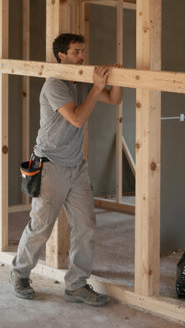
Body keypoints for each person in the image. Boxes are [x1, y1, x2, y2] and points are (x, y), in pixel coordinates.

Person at [10, 33, 122, 306]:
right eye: (75, 52)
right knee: (41, 226)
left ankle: (77, 286)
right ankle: (20, 273)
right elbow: (77, 118)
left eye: (83, 50)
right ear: (61, 55)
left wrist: (116, 79)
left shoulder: (83, 81)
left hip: (77, 167)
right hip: (49, 166)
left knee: (85, 226)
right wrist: (96, 87)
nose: (82, 56)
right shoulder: (55, 85)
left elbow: (114, 99)